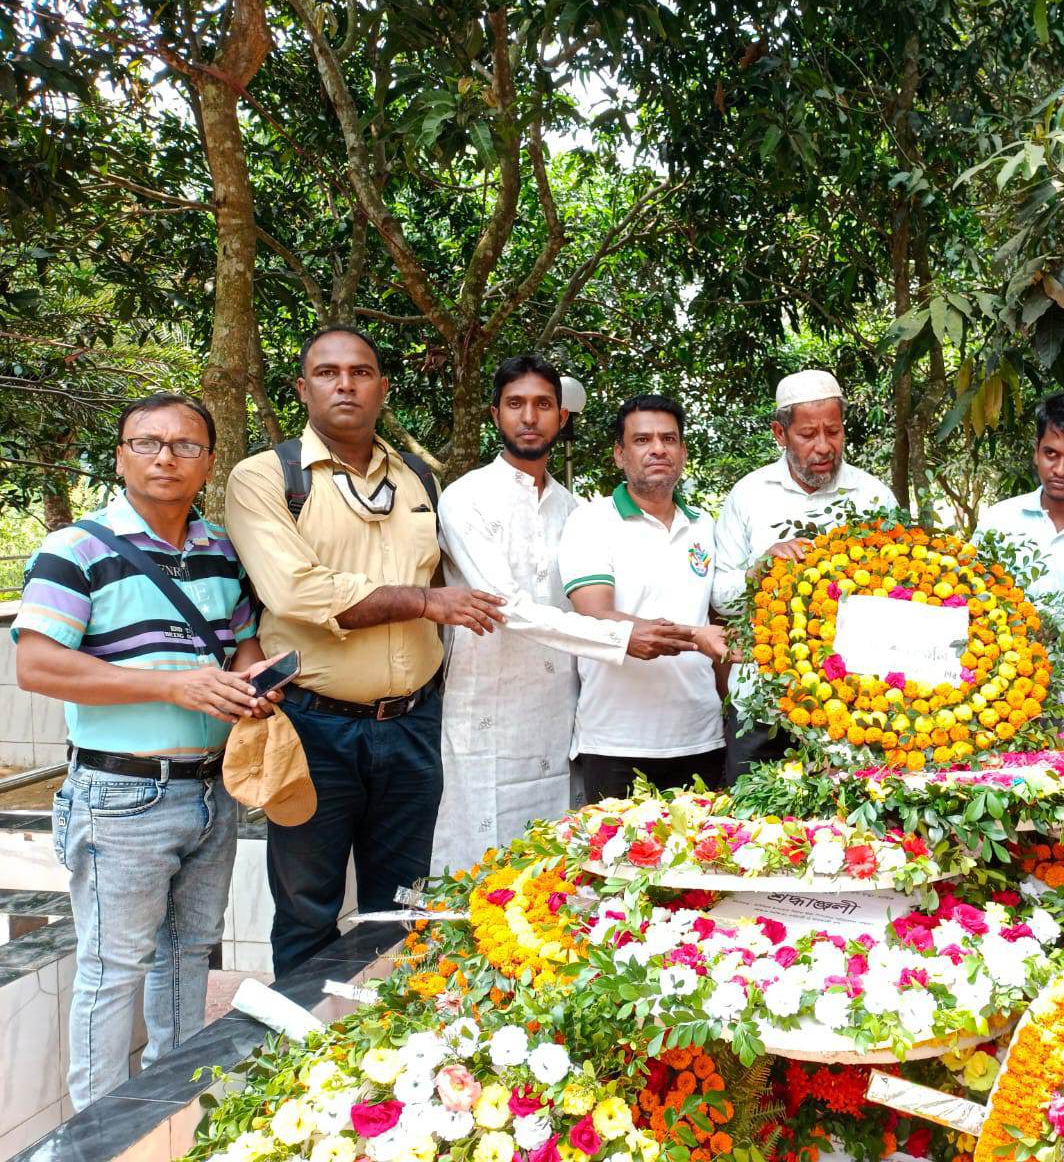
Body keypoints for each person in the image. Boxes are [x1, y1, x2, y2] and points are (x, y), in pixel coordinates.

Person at [13, 393, 279, 1108]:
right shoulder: (77, 549)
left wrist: (254, 677)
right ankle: (97, 1137)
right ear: (122, 454)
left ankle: (176, 1110)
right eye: (148, 443)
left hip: (210, 789)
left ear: (209, 460)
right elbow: (37, 665)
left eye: (186, 445)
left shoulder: (221, 548)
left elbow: (241, 640)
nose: (166, 458)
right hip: (120, 793)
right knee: (113, 969)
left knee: (189, 957)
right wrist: (171, 689)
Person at [225, 325, 507, 975]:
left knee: (402, 906)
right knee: (307, 905)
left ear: (382, 387)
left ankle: (389, 1052)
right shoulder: (264, 478)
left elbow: (451, 578)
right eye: (327, 373)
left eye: (360, 372)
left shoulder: (416, 481)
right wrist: (423, 603)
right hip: (313, 726)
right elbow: (297, 591)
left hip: (411, 725)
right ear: (302, 389)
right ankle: (305, 1063)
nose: (344, 383)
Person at [431, 356, 700, 872]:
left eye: (543, 405)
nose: (529, 417)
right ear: (495, 416)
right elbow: (502, 604)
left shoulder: (576, 510)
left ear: (562, 417)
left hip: (559, 707)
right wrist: (621, 640)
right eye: (516, 405)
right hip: (486, 702)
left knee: (556, 861)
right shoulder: (465, 499)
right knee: (480, 859)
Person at [711, 370, 896, 776]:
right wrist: (760, 569)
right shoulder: (749, 494)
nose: (824, 446)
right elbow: (720, 597)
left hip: (853, 709)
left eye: (833, 431)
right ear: (780, 433)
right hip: (763, 708)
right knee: (752, 831)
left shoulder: (873, 497)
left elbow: (899, 597)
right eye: (808, 434)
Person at [558, 394, 727, 800]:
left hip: (701, 736)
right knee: (616, 863)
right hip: (618, 742)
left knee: (702, 861)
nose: (658, 449)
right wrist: (694, 636)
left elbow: (716, 620)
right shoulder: (591, 521)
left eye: (669, 439)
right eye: (642, 440)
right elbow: (595, 615)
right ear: (619, 454)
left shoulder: (703, 524)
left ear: (683, 452)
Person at [977, 390, 1064, 599]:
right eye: (1051, 453)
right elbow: (971, 590)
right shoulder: (999, 520)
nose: (1060, 469)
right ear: (1036, 452)